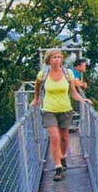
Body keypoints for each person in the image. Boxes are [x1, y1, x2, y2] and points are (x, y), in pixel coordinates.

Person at [31, 49, 92, 181]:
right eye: (54, 57)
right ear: (49, 60)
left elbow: (73, 92)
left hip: (65, 109)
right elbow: (37, 85)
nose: (57, 60)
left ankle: (63, 156)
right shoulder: (43, 74)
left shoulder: (67, 73)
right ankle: (58, 167)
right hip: (48, 110)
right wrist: (36, 99)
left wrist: (83, 100)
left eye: (59, 57)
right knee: (54, 137)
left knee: (64, 137)